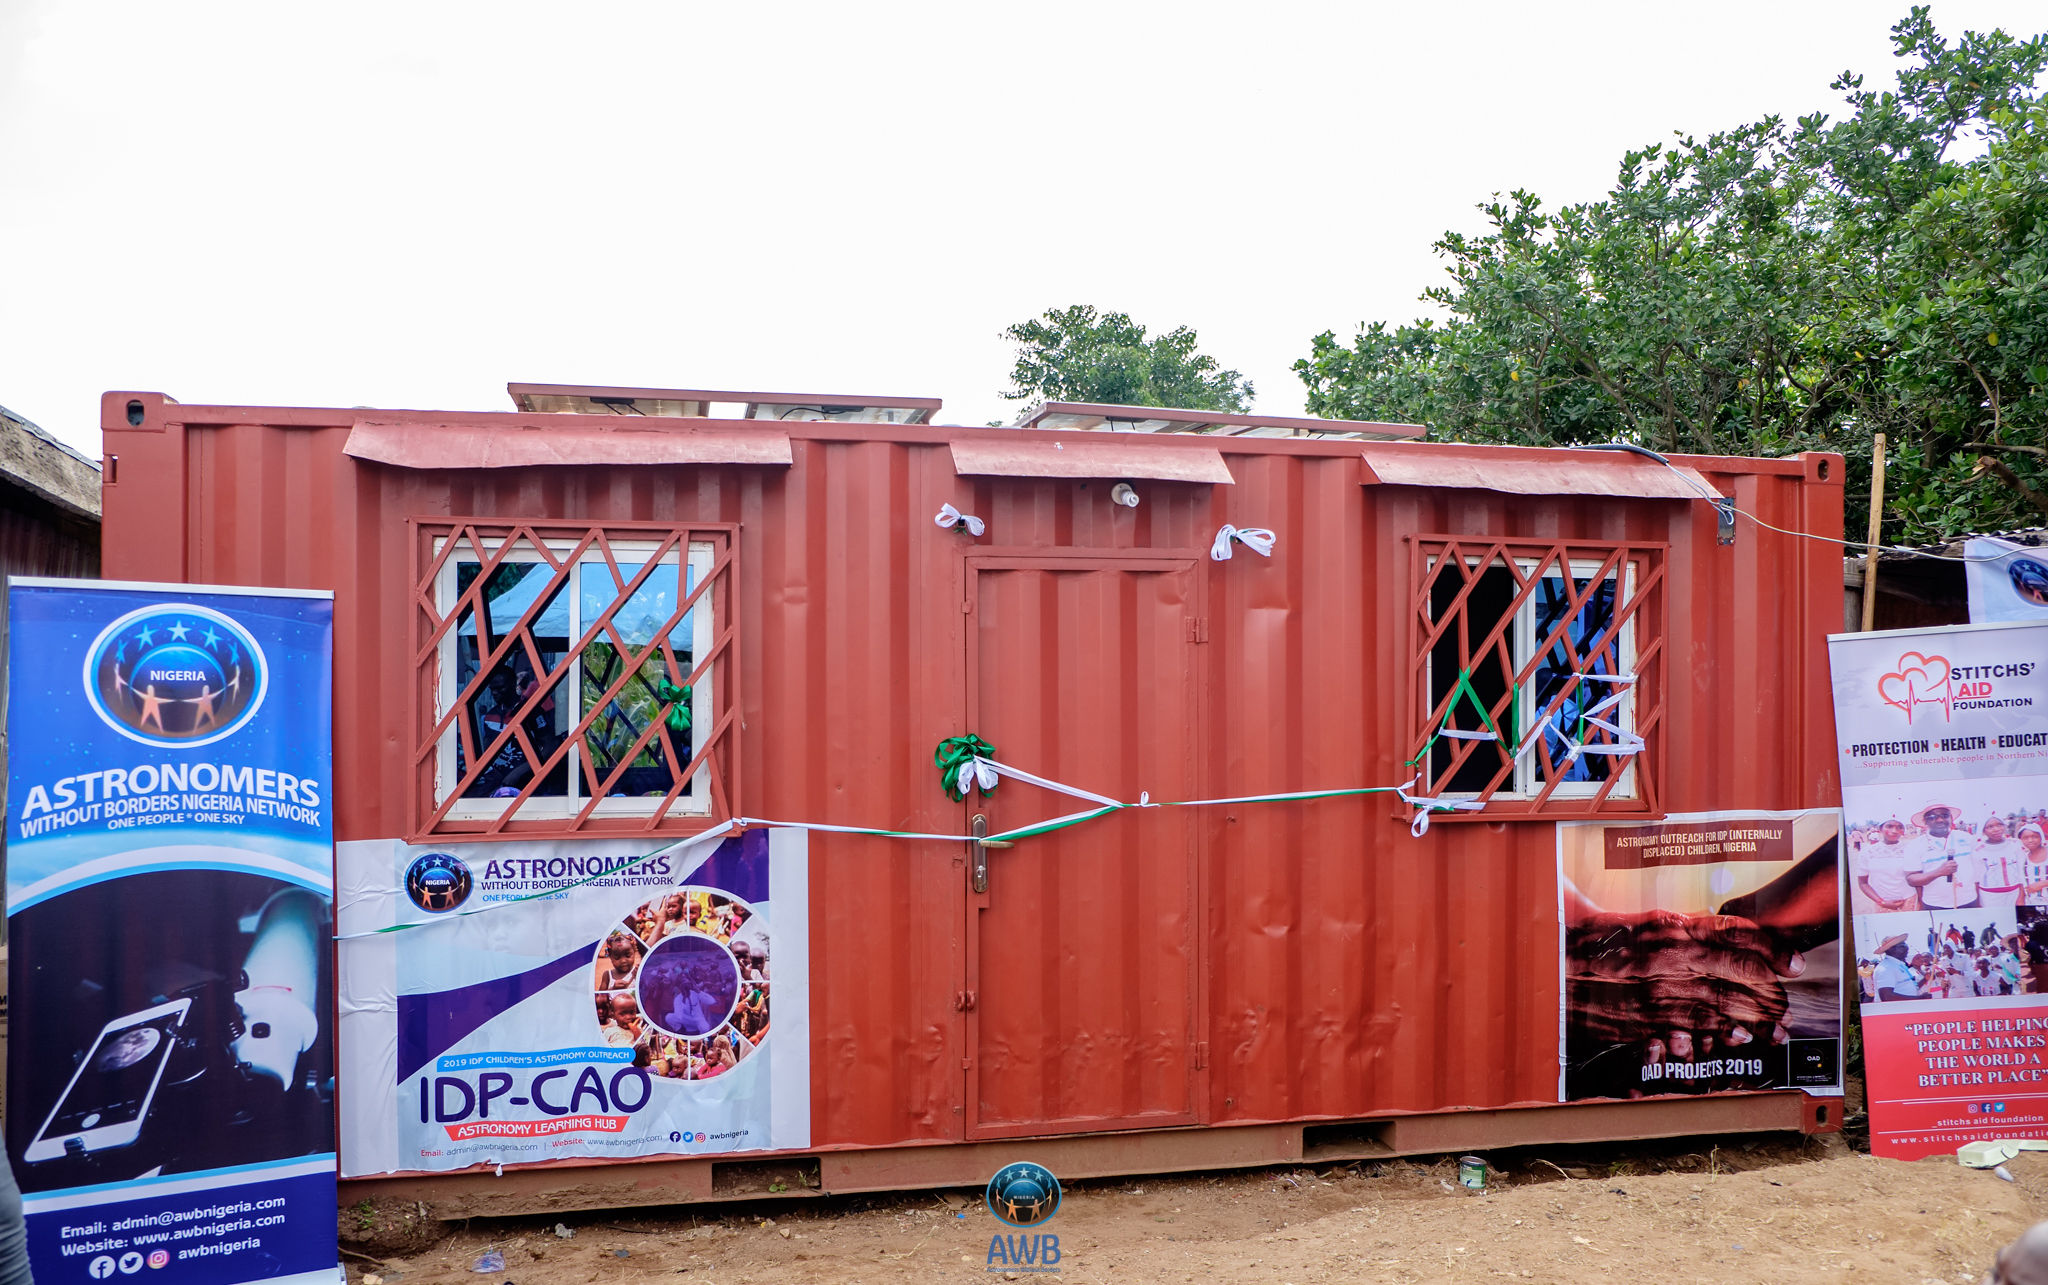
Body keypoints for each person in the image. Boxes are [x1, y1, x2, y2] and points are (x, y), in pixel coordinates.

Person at [1911, 803, 1982, 911]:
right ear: (1925, 822)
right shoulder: (1915, 845)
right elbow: (1911, 879)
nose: (1940, 820)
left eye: (1944, 816)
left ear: (1951, 818)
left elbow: (1977, 872)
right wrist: (1939, 872)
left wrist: (1978, 900)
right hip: (1934, 904)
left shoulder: (1967, 838)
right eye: (1932, 817)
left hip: (1969, 901)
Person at [1857, 819, 1921, 911]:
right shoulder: (1867, 852)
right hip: (1883, 902)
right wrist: (1881, 902)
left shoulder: (1911, 849)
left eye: (1899, 827)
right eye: (1889, 826)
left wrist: (1920, 902)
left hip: (1910, 901)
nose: (1894, 831)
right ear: (1880, 829)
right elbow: (1863, 883)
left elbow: (1917, 879)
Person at [1981, 816, 2030, 910]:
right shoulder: (1978, 850)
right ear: (1983, 831)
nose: (1996, 829)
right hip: (1989, 897)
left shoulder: (2015, 844)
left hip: (2014, 894)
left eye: (1999, 825)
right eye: (1990, 827)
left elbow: (2021, 872)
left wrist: (2021, 895)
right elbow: (1976, 878)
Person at [1873, 934, 1925, 1002]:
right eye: (1902, 946)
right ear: (1891, 949)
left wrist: (1925, 980)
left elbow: (1907, 987)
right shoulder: (1886, 968)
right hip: (1894, 1011)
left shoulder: (1899, 965)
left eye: (1906, 945)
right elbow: (1886, 997)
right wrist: (1919, 999)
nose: (1907, 948)